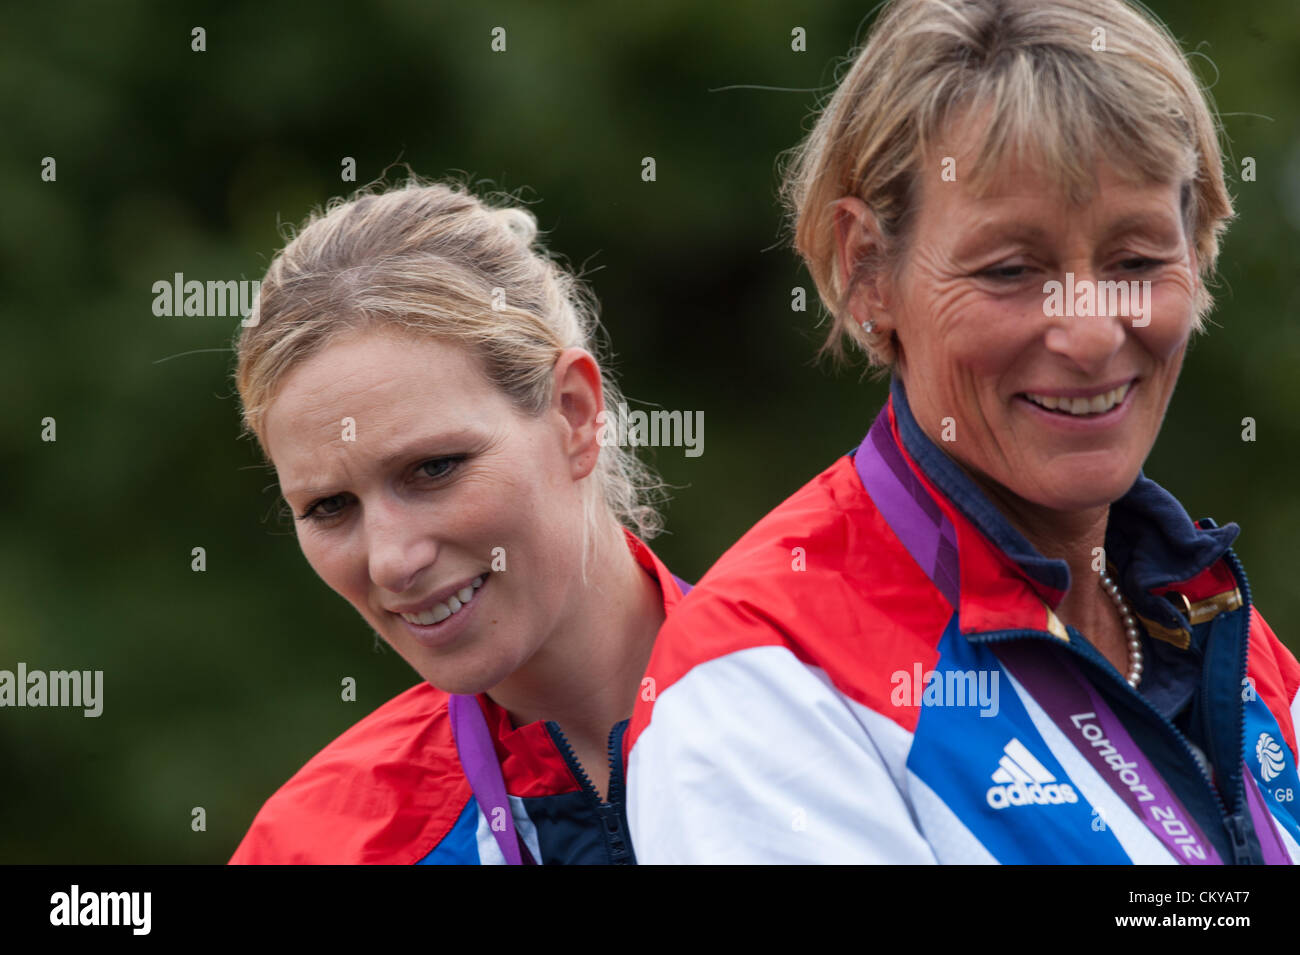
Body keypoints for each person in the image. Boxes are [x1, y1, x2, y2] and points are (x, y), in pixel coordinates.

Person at [627, 0, 1300, 864]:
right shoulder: (763, 677)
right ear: (869, 270)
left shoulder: (1228, 640)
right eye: (1011, 270)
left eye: (1136, 260)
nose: (1090, 332)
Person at [228, 177, 690, 864]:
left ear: (573, 412)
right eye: (329, 507)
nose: (391, 561)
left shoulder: (850, 701)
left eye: (434, 467)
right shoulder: (312, 846)